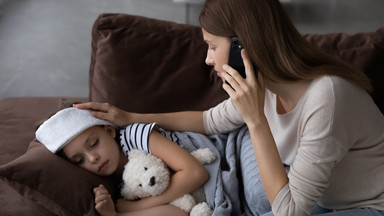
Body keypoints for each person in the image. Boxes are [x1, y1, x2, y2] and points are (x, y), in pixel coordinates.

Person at [75, 0, 384, 215]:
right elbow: (209, 121)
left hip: (368, 205)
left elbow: (289, 211)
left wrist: (255, 121)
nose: (208, 60)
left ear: (242, 47)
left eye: (212, 46)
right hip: (323, 197)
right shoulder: (263, 85)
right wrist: (130, 117)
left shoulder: (327, 98)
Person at [35, 107, 209, 216]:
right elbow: (177, 213)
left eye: (94, 144)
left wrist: (137, 207)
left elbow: (195, 172)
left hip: (210, 156)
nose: (92, 158)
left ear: (109, 131)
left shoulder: (135, 136)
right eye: (79, 160)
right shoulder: (123, 187)